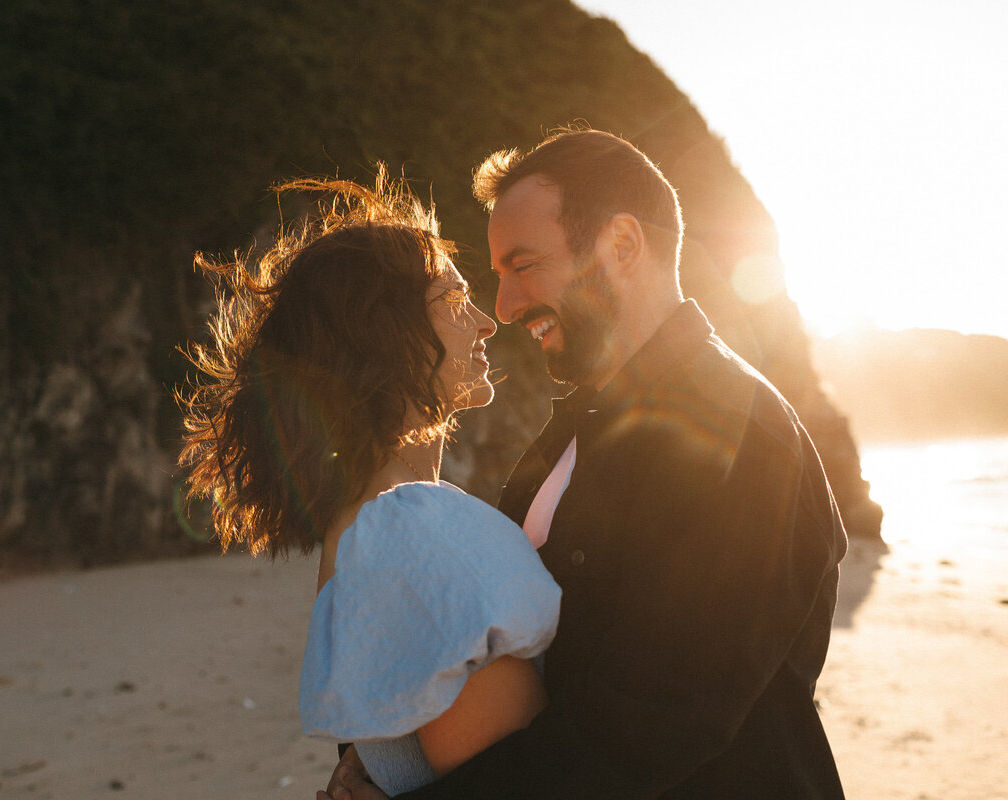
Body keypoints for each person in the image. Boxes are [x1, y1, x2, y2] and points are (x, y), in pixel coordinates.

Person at [325, 130, 848, 799]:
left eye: (523, 265)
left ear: (622, 246)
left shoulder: (739, 439)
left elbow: (646, 732)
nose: (506, 307)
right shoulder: (575, 432)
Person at [176, 170, 561, 797]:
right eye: (456, 299)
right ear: (390, 333)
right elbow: (530, 781)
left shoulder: (369, 529)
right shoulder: (407, 529)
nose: (488, 324)